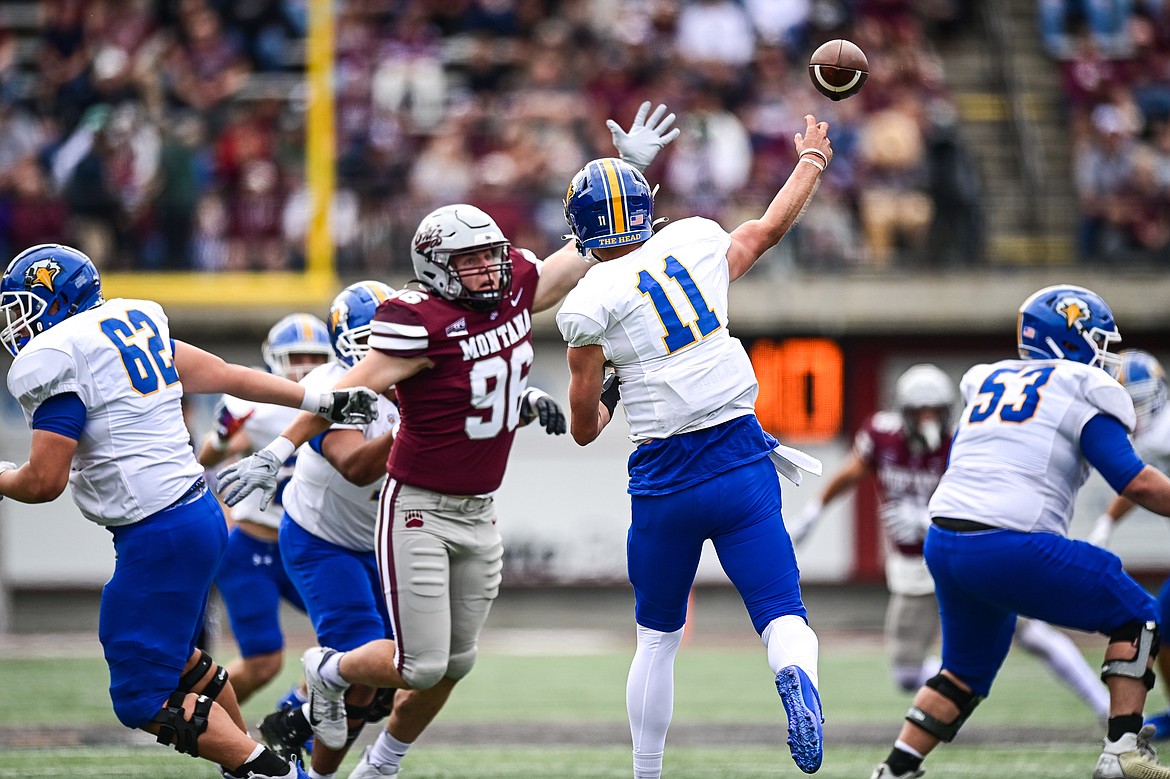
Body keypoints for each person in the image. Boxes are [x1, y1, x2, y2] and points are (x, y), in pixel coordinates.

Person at [214, 97, 680, 779]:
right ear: (435, 266)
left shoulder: (512, 283)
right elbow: (354, 389)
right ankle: (327, 671)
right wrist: (279, 449)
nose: (489, 271)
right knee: (418, 661)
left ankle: (377, 761)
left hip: (479, 507)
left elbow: (573, 258)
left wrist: (620, 180)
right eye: (471, 263)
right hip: (418, 507)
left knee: (455, 663)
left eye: (491, 257)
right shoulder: (415, 320)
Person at [0, 244, 378, 779]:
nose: (17, 323)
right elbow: (224, 373)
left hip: (159, 531)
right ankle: (248, 757)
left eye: (24, 306)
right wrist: (317, 401)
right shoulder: (130, 323)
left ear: (56, 299)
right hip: (197, 514)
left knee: (139, 694)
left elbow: (43, 482)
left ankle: (271, 773)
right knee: (171, 659)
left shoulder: (59, 354)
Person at [556, 114, 834, 778]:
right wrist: (811, 162)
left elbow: (585, 425)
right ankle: (795, 676)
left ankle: (647, 772)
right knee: (782, 615)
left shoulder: (588, 299)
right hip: (741, 459)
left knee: (657, 637)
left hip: (665, 477)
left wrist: (621, 383)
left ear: (584, 231)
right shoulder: (694, 239)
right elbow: (763, 231)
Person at [867, 284, 1170, 779]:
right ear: (1068, 338)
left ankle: (895, 769)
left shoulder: (989, 379)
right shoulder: (1082, 385)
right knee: (1138, 615)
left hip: (944, 541)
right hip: (1008, 542)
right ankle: (1121, 754)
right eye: (1097, 340)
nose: (1103, 354)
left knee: (963, 670)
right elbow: (1135, 481)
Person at [789, 364, 1109, 720]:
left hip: (965, 558)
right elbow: (850, 472)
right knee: (906, 673)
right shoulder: (882, 436)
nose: (928, 418)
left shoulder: (964, 441)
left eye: (936, 410)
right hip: (914, 570)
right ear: (903, 412)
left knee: (1032, 634)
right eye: (920, 411)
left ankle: (1104, 705)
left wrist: (928, 520)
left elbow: (989, 500)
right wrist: (812, 515)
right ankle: (967, 680)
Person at [256, 281, 403, 779]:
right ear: (344, 343)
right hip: (323, 540)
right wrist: (414, 427)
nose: (383, 351)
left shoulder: (420, 374)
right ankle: (308, 748)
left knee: (379, 683)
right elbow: (355, 466)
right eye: (370, 339)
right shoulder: (332, 384)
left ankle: (297, 713)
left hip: (382, 540)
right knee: (371, 665)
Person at [196, 313, 334, 705]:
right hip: (252, 545)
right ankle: (194, 715)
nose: (306, 367)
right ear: (274, 358)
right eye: (296, 357)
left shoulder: (339, 397)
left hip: (307, 544)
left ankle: (295, 711)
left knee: (353, 639)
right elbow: (210, 453)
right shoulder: (256, 404)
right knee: (263, 662)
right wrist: (225, 437)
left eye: (315, 357)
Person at [1087, 349, 1170, 739]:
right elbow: (1140, 482)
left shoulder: (1164, 427)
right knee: (1163, 617)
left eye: (1131, 401)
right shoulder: (1156, 434)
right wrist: (1106, 521)